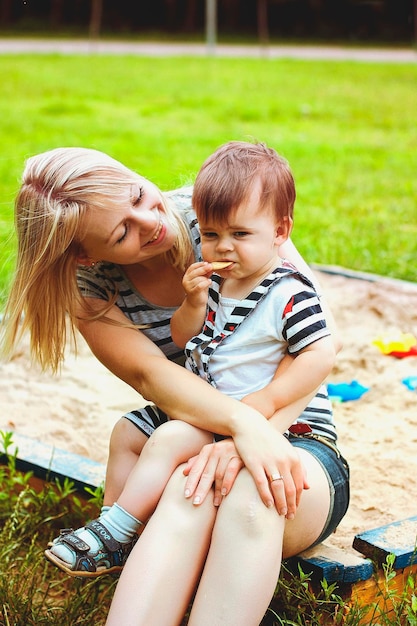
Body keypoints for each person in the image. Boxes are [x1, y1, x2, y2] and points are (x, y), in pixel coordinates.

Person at [0, 143, 349, 625]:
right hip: (197, 433)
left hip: (296, 438)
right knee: (189, 480)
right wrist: (237, 430)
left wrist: (253, 430)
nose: (151, 221)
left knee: (247, 492)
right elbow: (154, 378)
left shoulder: (218, 212)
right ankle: (129, 547)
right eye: (123, 231)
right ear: (84, 255)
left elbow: (320, 341)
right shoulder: (93, 289)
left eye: (138, 194)